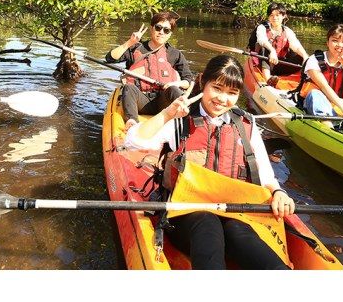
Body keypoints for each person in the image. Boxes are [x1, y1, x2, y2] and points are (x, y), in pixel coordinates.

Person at [123, 55, 295, 270]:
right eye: (217, 88)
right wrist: (167, 114)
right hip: (183, 215)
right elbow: (132, 142)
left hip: (232, 211)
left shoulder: (246, 124)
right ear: (203, 81)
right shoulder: (179, 120)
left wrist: (279, 192)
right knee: (207, 223)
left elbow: (266, 174)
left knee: (239, 232)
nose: (223, 99)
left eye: (232, 93)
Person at [105, 11, 194, 128]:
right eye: (158, 28)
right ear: (152, 28)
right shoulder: (136, 48)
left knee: (174, 90)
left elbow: (188, 80)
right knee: (128, 88)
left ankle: (187, 124)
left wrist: (175, 83)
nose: (161, 32)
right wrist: (129, 43)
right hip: (140, 100)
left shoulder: (174, 54)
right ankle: (132, 123)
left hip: (163, 102)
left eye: (166, 30)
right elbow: (110, 58)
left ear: (170, 34)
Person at [247, 2, 307, 86]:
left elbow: (296, 46)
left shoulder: (287, 31)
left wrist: (305, 57)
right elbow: (262, 40)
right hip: (265, 62)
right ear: (268, 17)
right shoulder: (262, 27)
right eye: (271, 15)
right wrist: (272, 51)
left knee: (301, 56)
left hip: (279, 64)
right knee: (265, 48)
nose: (274, 18)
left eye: (277, 15)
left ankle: (302, 80)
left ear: (283, 16)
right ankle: (268, 79)